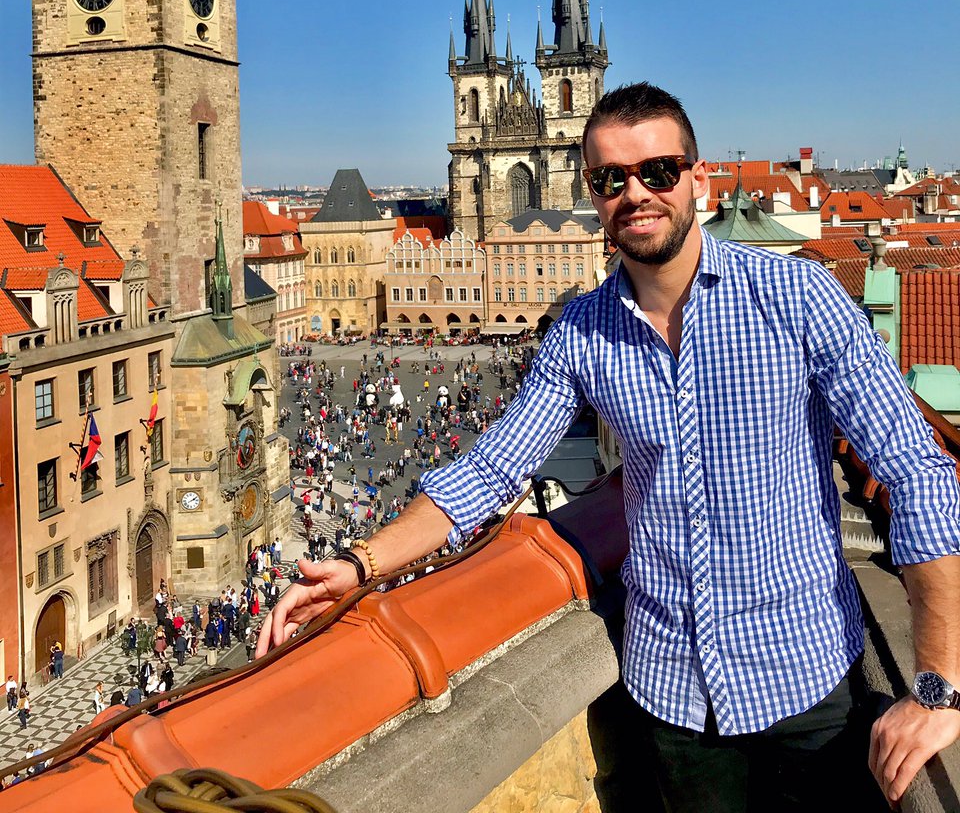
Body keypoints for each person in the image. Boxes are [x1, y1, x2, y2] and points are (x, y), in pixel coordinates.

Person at [259, 81, 960, 812]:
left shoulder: (795, 296)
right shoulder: (582, 330)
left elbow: (916, 472)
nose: (635, 193)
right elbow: (494, 466)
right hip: (674, 701)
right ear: (591, 191)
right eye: (609, 179)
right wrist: (359, 562)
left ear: (697, 176)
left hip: (808, 681)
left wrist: (938, 686)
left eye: (656, 171)